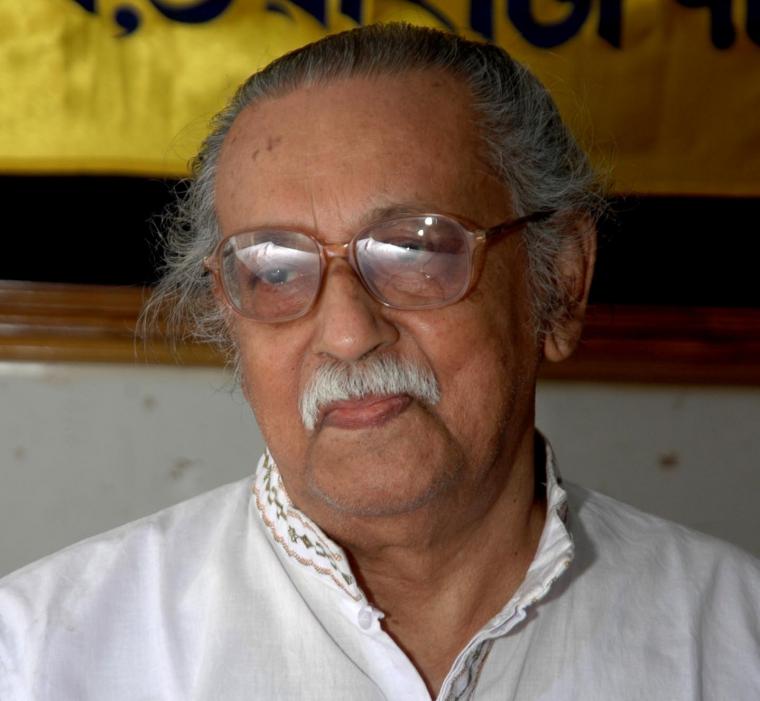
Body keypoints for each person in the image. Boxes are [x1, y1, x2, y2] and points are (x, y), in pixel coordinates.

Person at [1, 23, 759, 701]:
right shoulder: (38, 656)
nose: (346, 332)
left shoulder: (734, 639)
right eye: (274, 267)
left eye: (414, 250)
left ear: (559, 284)